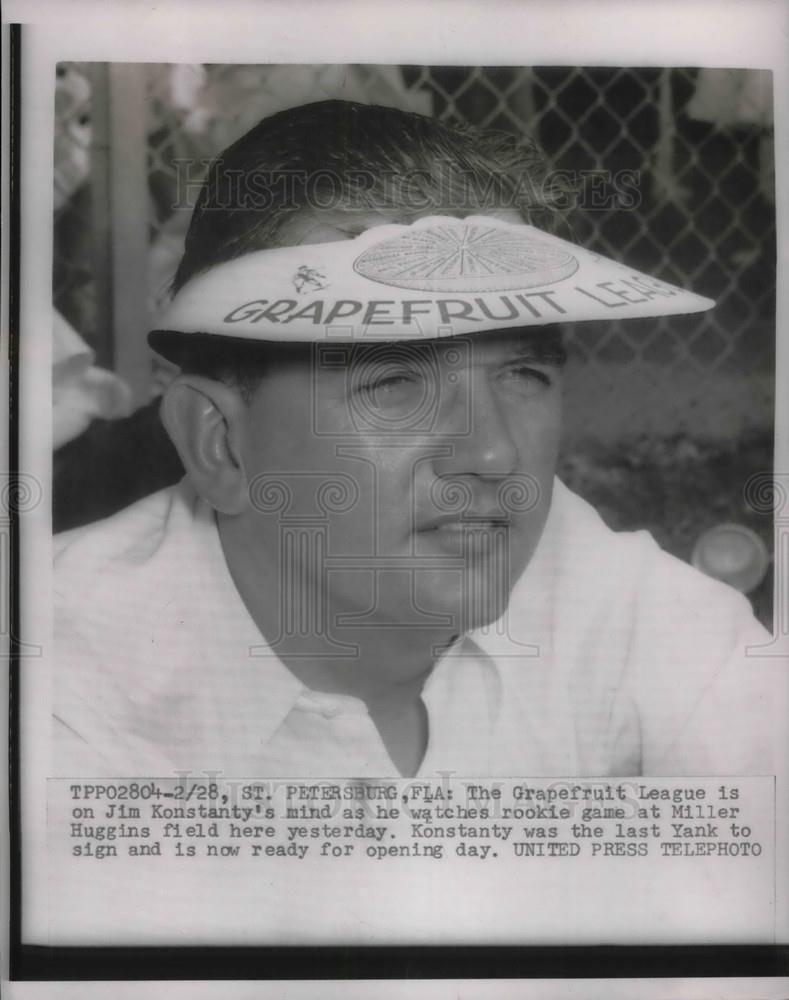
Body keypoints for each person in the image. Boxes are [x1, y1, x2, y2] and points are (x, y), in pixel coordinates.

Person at [53, 100, 779, 780]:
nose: (492, 455)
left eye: (522, 373)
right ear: (222, 445)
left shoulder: (620, 606)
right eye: (394, 384)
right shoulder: (58, 693)